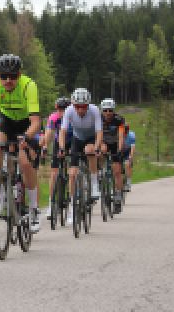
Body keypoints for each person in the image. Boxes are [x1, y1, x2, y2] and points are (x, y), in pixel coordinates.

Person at [0, 54, 42, 233]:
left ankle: (34, 209)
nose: (8, 80)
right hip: (5, 120)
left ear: (20, 75)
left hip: (26, 124)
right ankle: (1, 193)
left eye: (13, 76)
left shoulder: (29, 85)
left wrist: (26, 137)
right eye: (3, 76)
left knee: (26, 163)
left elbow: (36, 122)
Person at [58, 88, 102, 226]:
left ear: (88, 105)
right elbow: (63, 132)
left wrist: (97, 147)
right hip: (77, 139)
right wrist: (61, 148)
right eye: (78, 106)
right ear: (73, 105)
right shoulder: (69, 111)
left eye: (84, 107)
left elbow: (99, 132)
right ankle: (72, 207)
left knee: (90, 150)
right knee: (72, 174)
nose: (81, 110)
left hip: (90, 138)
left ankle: (94, 183)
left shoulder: (94, 110)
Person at [39, 96, 71, 219]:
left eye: (64, 109)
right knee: (54, 173)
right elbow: (48, 133)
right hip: (59, 143)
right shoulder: (53, 118)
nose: (61, 112)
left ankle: (74, 199)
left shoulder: (72, 117)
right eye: (59, 109)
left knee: (73, 170)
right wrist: (45, 147)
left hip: (72, 141)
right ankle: (51, 203)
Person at [100, 98, 125, 214]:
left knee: (117, 172)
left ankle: (118, 197)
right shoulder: (99, 119)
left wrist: (119, 149)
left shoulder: (119, 120)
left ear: (113, 110)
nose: (108, 113)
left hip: (115, 143)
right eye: (105, 110)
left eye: (110, 110)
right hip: (104, 142)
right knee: (100, 152)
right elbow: (96, 134)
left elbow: (121, 136)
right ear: (102, 111)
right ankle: (100, 172)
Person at [121, 124, 136, 191]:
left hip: (128, 151)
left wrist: (130, 157)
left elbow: (132, 148)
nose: (125, 133)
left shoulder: (131, 135)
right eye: (123, 131)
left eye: (126, 132)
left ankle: (128, 183)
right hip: (121, 152)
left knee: (127, 164)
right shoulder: (119, 134)